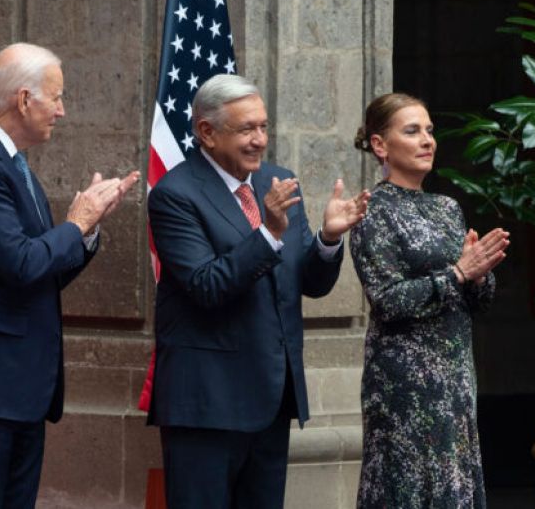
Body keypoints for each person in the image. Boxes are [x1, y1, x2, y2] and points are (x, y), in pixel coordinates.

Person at [0, 42, 140, 509]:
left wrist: (88, 230)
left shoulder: (14, 165)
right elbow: (21, 263)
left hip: (17, 387)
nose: (62, 110)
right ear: (23, 99)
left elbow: (43, 271)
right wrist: (75, 223)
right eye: (55, 98)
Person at [146, 74, 370, 509]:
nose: (259, 140)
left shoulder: (278, 181)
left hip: (271, 398)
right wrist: (267, 233)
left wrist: (327, 238)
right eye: (246, 129)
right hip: (206, 405)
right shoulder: (175, 195)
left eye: (263, 127)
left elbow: (309, 284)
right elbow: (206, 286)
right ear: (206, 133)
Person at [350, 93, 510, 508]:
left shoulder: (447, 208)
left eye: (429, 131)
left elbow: (476, 301)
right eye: (412, 131)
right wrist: (457, 274)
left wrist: (478, 274)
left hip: (455, 376)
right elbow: (387, 300)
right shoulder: (373, 211)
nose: (427, 140)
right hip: (404, 383)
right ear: (380, 145)